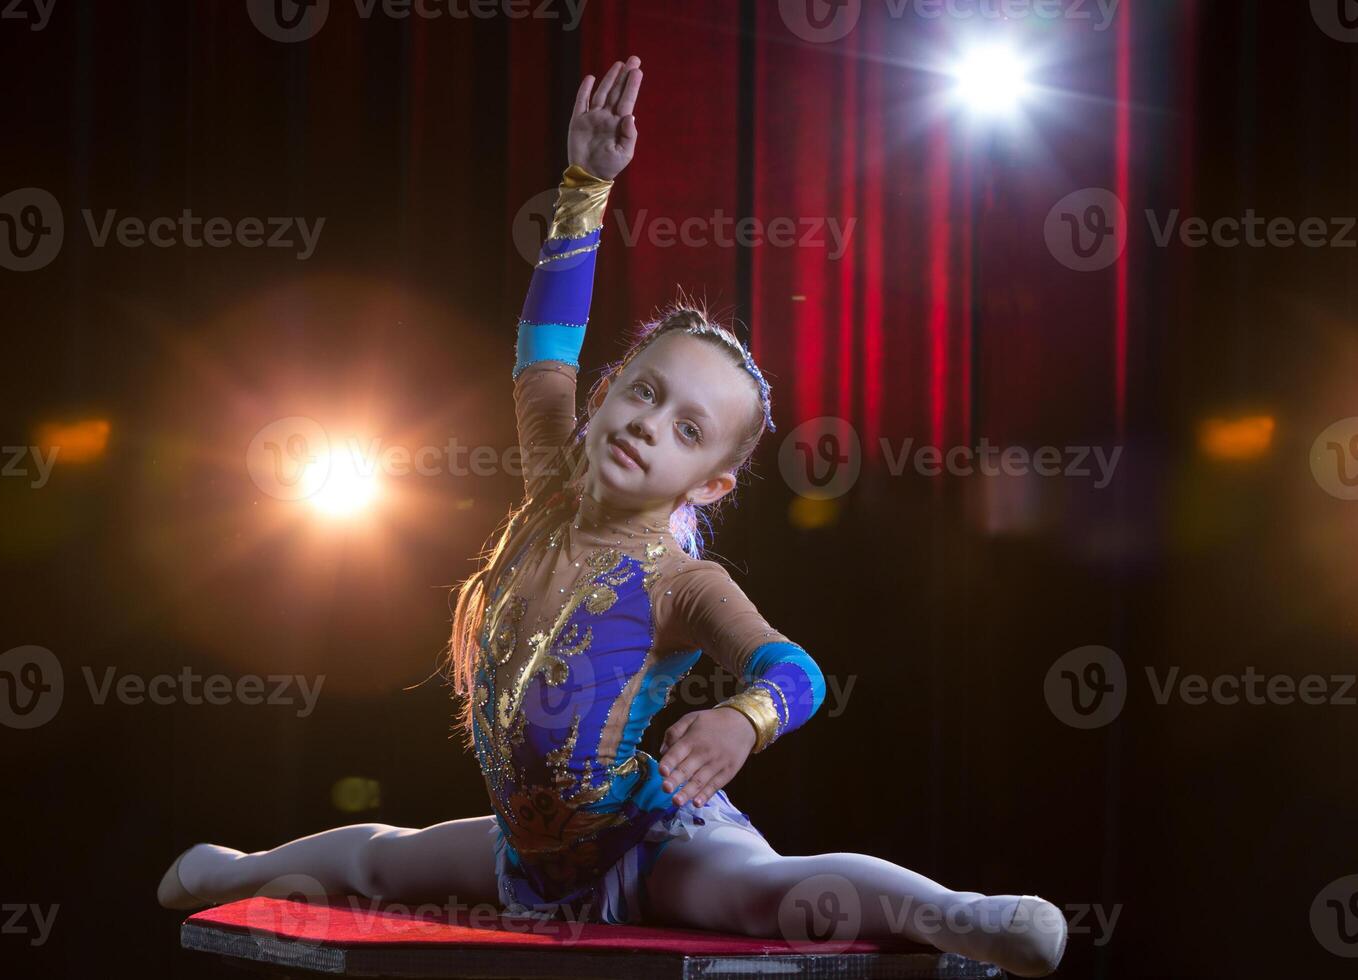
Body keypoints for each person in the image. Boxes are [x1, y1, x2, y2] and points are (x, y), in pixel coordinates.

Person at [157, 55, 1067, 978]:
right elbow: (544, 353)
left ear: (709, 483)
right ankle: (240, 869)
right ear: (607, 397)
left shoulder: (681, 583)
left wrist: (739, 723)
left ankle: (963, 912)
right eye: (642, 390)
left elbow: (796, 670)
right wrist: (585, 185)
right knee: (382, 859)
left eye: (687, 428)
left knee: (765, 897)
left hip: (652, 844)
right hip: (527, 854)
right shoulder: (553, 483)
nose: (645, 422)